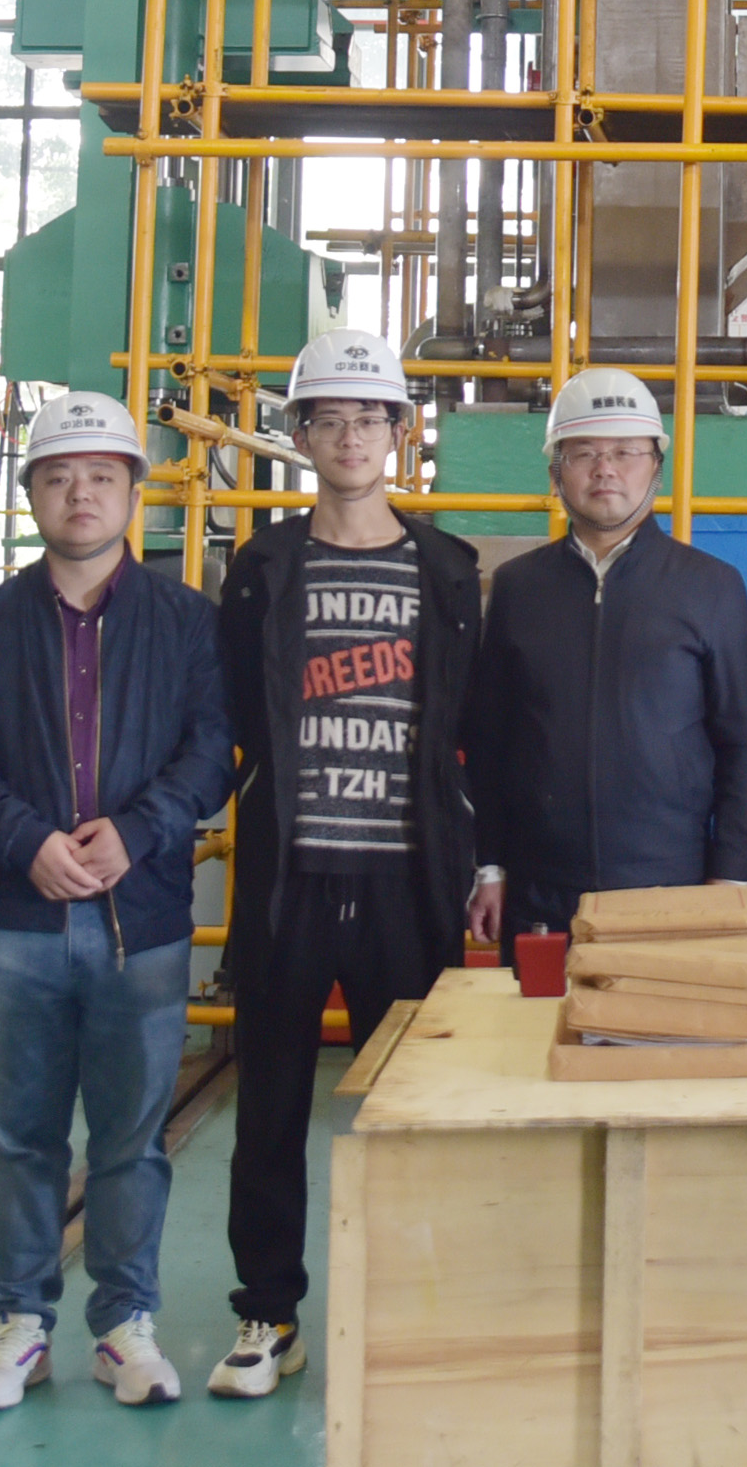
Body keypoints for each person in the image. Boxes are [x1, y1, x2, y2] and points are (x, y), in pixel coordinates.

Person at [0, 390, 232, 1413]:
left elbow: (210, 750)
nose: (81, 494)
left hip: (138, 921)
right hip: (17, 920)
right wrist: (26, 842)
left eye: (102, 476)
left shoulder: (186, 620)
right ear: (32, 494)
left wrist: (137, 831)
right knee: (20, 1137)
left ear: (134, 491)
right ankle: (19, 1322)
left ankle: (123, 1323)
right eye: (59, 477)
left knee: (129, 1140)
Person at [209, 328, 480, 1402]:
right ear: (302, 434)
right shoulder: (264, 567)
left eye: (370, 418)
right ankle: (268, 1313)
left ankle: (404, 1309)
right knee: (270, 1107)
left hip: (406, 882)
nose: (351, 436)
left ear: (399, 433)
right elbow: (240, 711)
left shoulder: (445, 569)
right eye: (329, 418)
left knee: (406, 1108)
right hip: (293, 881)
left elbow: (468, 724)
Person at [465, 367, 747, 950]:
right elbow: (489, 745)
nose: (605, 469)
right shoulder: (517, 587)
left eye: (625, 452)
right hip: (541, 890)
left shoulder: (709, 586)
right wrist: (490, 866)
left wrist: (732, 868)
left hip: (672, 882)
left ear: (656, 465)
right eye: (584, 453)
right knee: (537, 1013)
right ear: (555, 472)